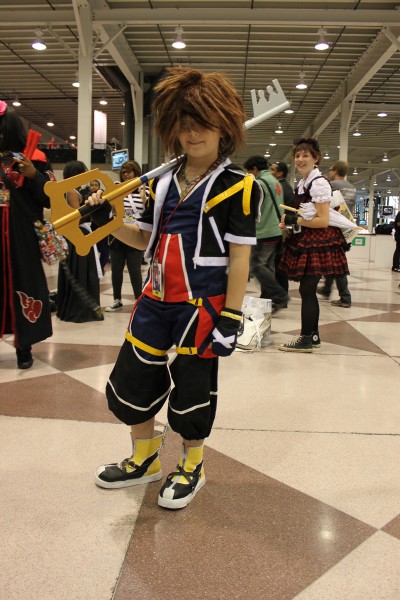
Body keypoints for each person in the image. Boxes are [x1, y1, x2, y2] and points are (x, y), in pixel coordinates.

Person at [86, 66, 260, 509]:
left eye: (202, 122)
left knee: (193, 391)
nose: (192, 133)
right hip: (154, 300)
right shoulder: (161, 182)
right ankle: (144, 459)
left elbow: (240, 258)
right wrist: (105, 222)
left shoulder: (240, 187)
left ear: (223, 126)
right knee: (134, 380)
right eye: (184, 124)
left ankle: (191, 465)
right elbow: (144, 239)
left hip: (201, 307)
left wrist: (232, 315)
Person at [278, 137, 349, 352]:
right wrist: (289, 223)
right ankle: (313, 335)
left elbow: (323, 220)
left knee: (307, 290)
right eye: (297, 155)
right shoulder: (304, 183)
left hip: (319, 243)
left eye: (305, 155)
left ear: (315, 158)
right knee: (307, 290)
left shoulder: (318, 183)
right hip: (310, 241)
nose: (300, 159)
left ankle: (306, 337)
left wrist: (295, 221)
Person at [0, 100, 54, 368]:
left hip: (21, 235)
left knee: (24, 283)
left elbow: (50, 199)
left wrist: (34, 176)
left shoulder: (34, 158)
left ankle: (24, 345)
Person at [56, 160, 103, 323]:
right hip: (79, 234)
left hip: (73, 235)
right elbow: (76, 217)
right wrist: (92, 208)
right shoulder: (71, 191)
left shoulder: (67, 190)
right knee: (82, 272)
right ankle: (81, 310)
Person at [243, 155, 288, 312]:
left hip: (264, 231)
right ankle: (268, 301)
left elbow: (252, 209)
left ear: (254, 169)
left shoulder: (259, 183)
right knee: (267, 266)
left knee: (257, 265)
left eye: (249, 171)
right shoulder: (275, 182)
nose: (249, 175)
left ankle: (279, 295)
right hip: (276, 230)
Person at [105, 160, 148, 311]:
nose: (125, 175)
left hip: (135, 233)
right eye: (123, 172)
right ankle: (117, 299)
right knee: (116, 268)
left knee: (134, 269)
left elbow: (148, 210)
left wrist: (143, 197)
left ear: (136, 172)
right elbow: (110, 205)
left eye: (128, 172)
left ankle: (139, 300)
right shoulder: (117, 187)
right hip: (118, 232)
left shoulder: (145, 188)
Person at [317, 160, 355, 307]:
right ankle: (327, 290)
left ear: (336, 171)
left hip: (334, 229)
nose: (330, 172)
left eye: (331, 170)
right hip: (346, 227)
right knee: (334, 260)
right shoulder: (351, 187)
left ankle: (345, 297)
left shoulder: (333, 185)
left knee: (338, 264)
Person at [270, 160, 295, 294]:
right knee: (279, 264)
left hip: (281, 231)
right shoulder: (286, 186)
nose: (270, 172)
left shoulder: (279, 187)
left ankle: (281, 296)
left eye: (273, 169)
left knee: (278, 264)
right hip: (284, 230)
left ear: (280, 173)